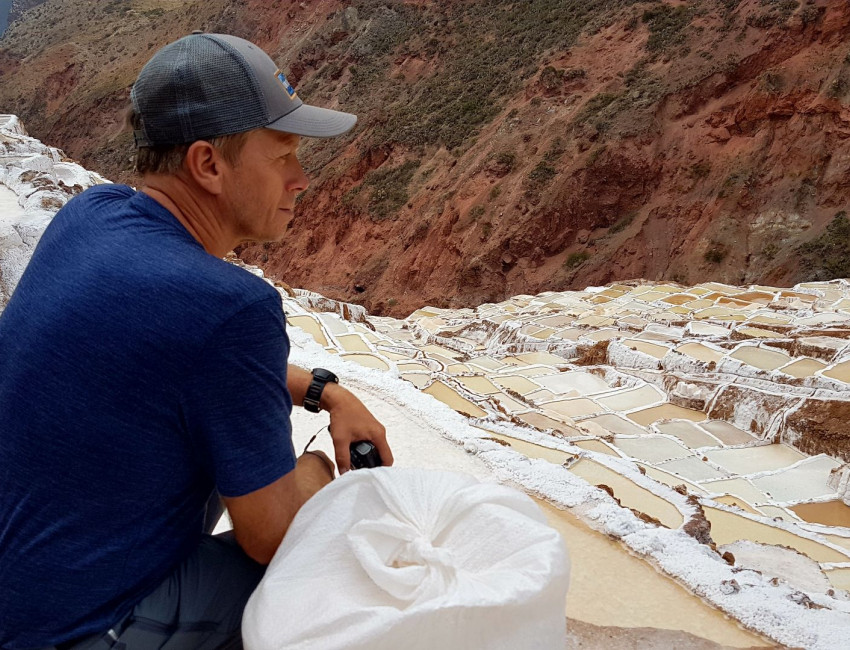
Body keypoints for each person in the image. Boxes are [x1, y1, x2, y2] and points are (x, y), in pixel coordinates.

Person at [0, 33, 392, 650]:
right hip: (80, 628)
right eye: (284, 153)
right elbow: (274, 536)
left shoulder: (90, 215)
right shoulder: (233, 308)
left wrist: (324, 391)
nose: (301, 179)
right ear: (208, 164)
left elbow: (166, 349)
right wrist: (320, 472)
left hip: (21, 591)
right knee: (342, 566)